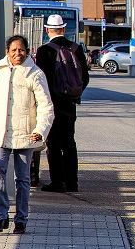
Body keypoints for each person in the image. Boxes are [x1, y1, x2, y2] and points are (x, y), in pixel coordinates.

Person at [0, 35, 54, 235]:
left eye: (22, 50)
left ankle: (21, 219)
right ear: (7, 52)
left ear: (28, 51)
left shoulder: (35, 73)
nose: (18, 54)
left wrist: (40, 130)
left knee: (23, 179)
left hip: (26, 135)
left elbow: (46, 106)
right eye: (14, 50)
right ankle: (1, 216)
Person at [35, 14, 90, 193]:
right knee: (69, 142)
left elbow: (42, 79)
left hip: (52, 103)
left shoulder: (44, 50)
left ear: (47, 30)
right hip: (70, 103)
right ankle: (72, 182)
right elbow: (85, 77)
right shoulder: (76, 48)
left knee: (53, 143)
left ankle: (57, 181)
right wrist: (73, 93)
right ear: (64, 29)